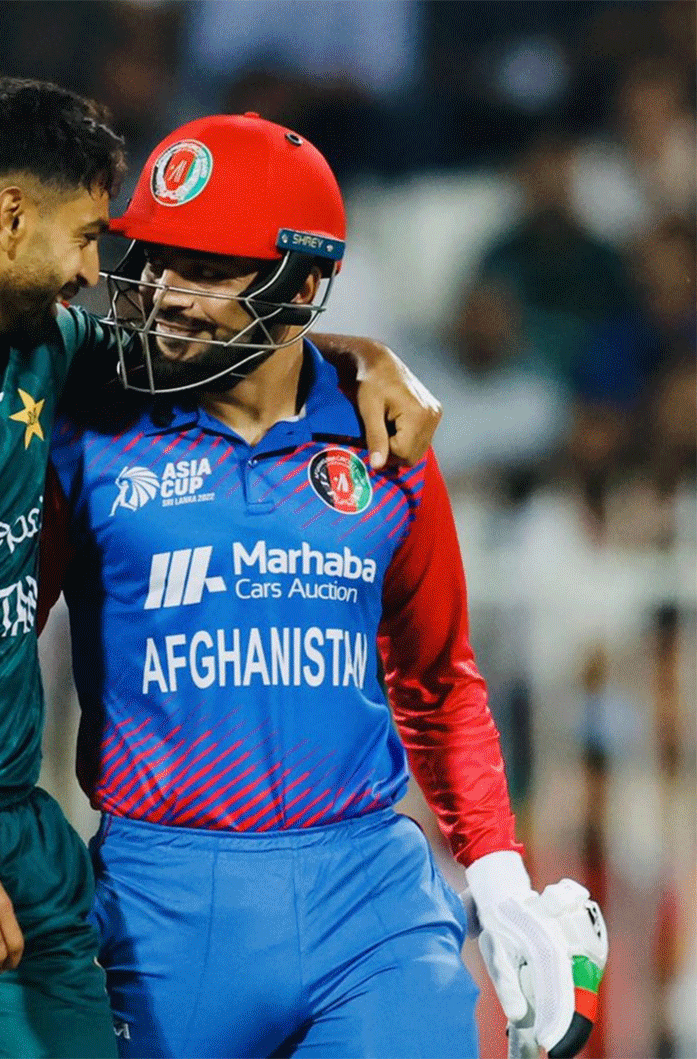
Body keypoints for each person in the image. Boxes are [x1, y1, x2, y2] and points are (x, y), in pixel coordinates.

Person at [0, 77, 441, 1059]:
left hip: (7, 837)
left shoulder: (46, 348)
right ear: (11, 216)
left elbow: (231, 346)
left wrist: (365, 360)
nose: (99, 269)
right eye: (89, 234)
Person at [39, 113, 608, 1059]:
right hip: (156, 904)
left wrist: (501, 883)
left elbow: (438, 679)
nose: (165, 293)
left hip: (371, 907)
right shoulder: (85, 431)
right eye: (157, 258)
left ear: (302, 282)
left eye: (209, 269)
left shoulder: (390, 445)